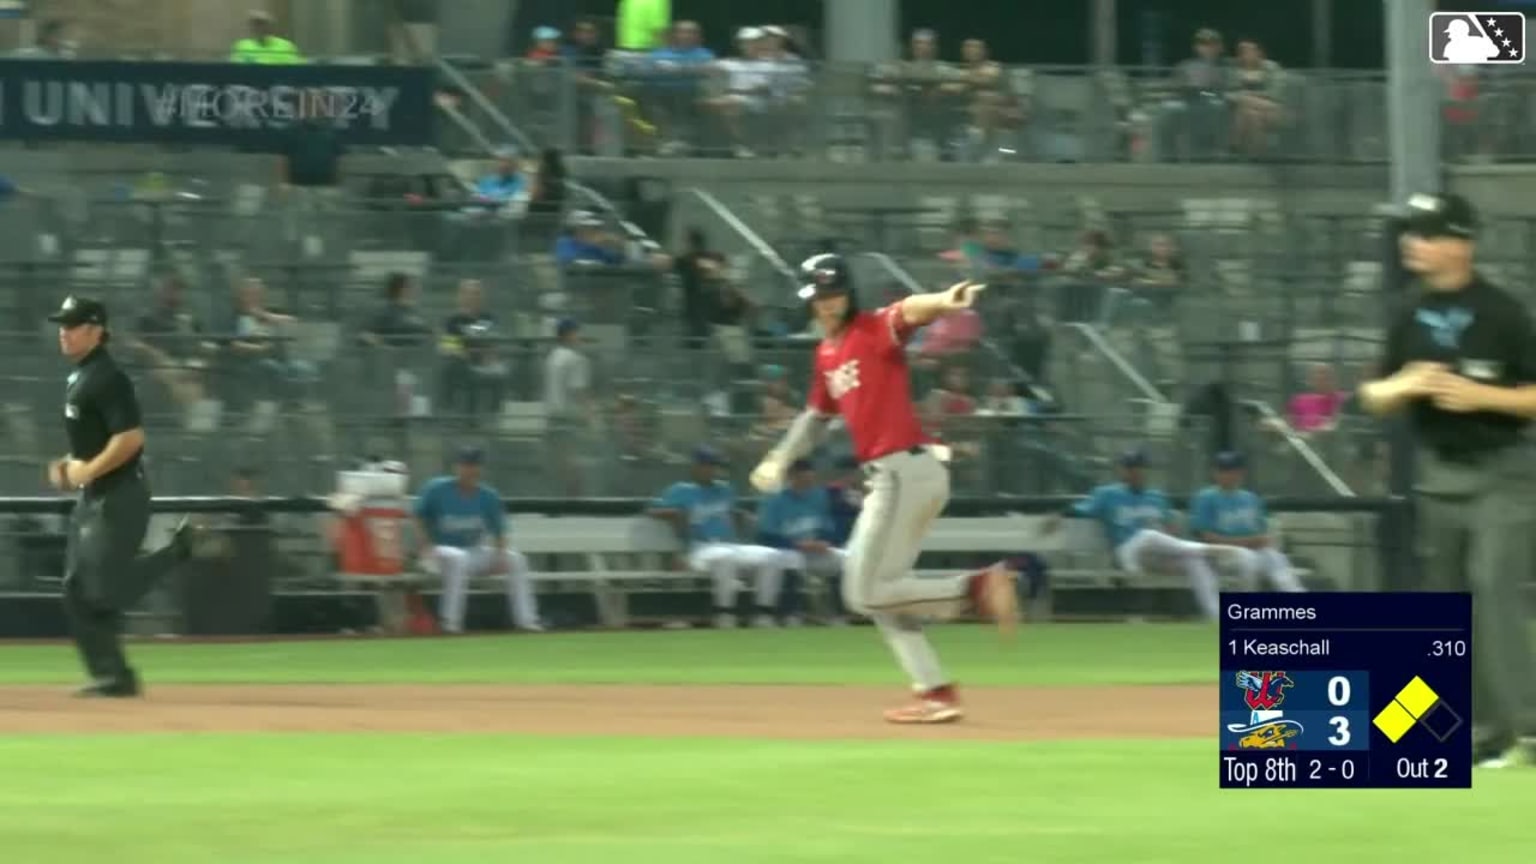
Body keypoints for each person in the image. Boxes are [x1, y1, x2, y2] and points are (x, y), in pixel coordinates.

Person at [749, 253, 1018, 724]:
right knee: (884, 594)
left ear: (849, 291)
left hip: (902, 472)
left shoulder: (873, 329)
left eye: (833, 294)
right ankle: (935, 691)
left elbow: (910, 309)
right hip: (900, 475)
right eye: (818, 296)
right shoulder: (826, 352)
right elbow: (816, 417)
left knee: (862, 593)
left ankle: (975, 588)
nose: (827, 304)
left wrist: (943, 301)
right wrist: (780, 456)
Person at [1357, 191, 1536, 767]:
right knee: (1447, 605)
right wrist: (1402, 386)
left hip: (1502, 472)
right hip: (1440, 477)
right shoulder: (1406, 312)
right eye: (1411, 232)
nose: (1413, 242)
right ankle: (1484, 732)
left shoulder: (1504, 313)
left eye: (1428, 233)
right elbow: (1372, 394)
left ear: (1462, 243)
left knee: (1494, 590)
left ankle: (1529, 731)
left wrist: (1480, 395)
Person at [47, 296, 195, 697]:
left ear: (96, 331)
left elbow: (130, 439)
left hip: (121, 494)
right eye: (63, 323)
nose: (64, 330)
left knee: (101, 591)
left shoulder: (108, 377)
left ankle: (176, 551)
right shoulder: (80, 377)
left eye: (73, 324)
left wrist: (84, 471)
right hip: (94, 496)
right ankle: (112, 675)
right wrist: (68, 466)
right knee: (77, 590)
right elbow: (93, 444)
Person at [1051, 449, 1234, 620]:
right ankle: (1206, 549)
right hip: (1126, 550)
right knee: (1148, 535)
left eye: (1138, 468)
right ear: (1121, 470)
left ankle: (1215, 616)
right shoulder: (1107, 494)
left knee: (1194, 562)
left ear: (1145, 470)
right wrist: (1058, 515)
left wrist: (1171, 537)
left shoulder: (1156, 496)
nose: (1134, 472)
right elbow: (1080, 510)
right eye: (1129, 468)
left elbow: (1170, 528)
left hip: (1157, 555)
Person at [648, 447, 787, 628]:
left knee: (772, 557)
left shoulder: (724, 489)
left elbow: (732, 513)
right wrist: (675, 513)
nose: (713, 470)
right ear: (697, 466)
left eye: (715, 466)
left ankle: (764, 613)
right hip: (699, 549)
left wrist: (742, 516)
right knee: (725, 557)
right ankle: (724, 614)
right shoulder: (681, 490)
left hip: (730, 546)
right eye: (709, 466)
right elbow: (651, 510)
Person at [413, 447, 541, 634]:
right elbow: (418, 516)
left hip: (472, 551)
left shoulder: (488, 496)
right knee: (459, 558)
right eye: (465, 465)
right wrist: (425, 546)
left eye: (474, 465)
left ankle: (527, 621)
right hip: (439, 552)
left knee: (517, 560)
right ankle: (450, 623)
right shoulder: (436, 489)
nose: (470, 470)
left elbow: (500, 531)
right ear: (456, 467)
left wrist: (500, 557)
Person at [1188, 451, 1305, 592]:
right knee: (1247, 560)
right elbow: (1206, 537)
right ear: (1214, 472)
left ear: (1241, 472)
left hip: (1254, 550)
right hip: (1221, 553)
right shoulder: (1206, 498)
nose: (1227, 474)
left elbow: (1263, 533)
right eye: (1222, 470)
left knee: (1276, 559)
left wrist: (1264, 541)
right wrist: (1246, 542)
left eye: (1232, 470)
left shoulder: (1251, 498)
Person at [757, 459, 845, 626]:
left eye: (809, 480)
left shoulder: (819, 496)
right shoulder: (775, 500)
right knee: (793, 559)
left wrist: (824, 542)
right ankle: (791, 614)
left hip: (813, 552)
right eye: (803, 479)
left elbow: (828, 527)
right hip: (783, 551)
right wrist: (798, 545)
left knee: (842, 559)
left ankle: (839, 614)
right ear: (792, 477)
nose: (807, 483)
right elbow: (766, 535)